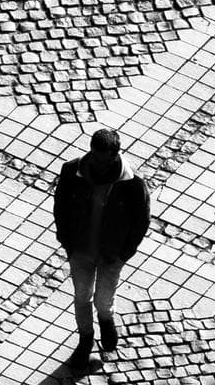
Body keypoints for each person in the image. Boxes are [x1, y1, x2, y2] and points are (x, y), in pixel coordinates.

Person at [53, 128, 151, 371]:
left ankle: (106, 321)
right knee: (81, 296)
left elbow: (141, 220)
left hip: (111, 254)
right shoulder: (72, 171)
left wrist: (125, 252)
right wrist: (66, 240)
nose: (97, 163)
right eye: (94, 155)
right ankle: (85, 340)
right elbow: (61, 206)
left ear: (115, 155)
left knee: (103, 299)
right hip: (80, 250)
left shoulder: (132, 182)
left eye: (102, 158)